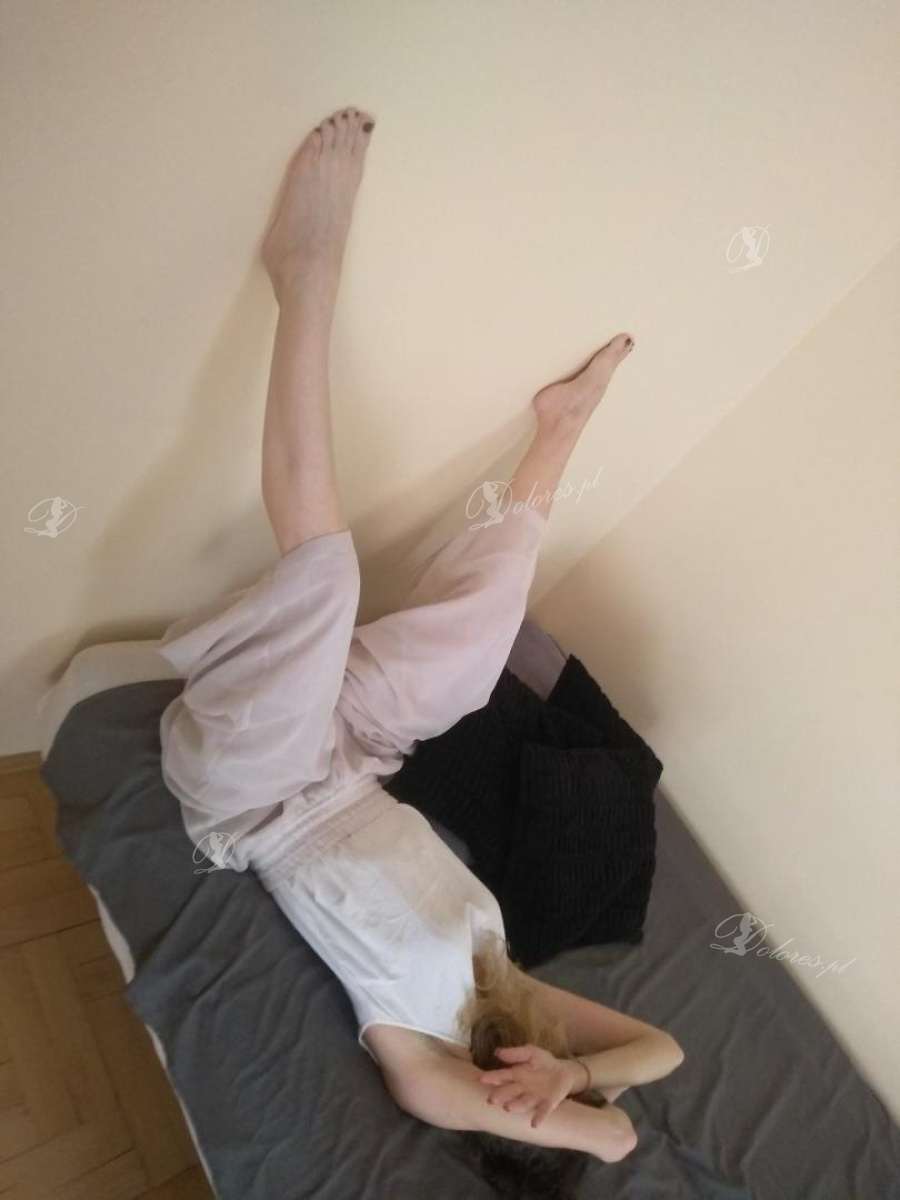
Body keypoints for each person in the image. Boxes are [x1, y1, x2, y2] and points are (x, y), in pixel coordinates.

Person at [157, 107, 685, 1194]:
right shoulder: (518, 995)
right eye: (550, 1102)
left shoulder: (422, 1067)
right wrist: (577, 1072)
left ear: (498, 1131)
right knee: (480, 647)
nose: (527, 1099)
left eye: (522, 1117)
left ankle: (305, 277)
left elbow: (616, 1145)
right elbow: (662, 1056)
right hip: (358, 753)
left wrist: (558, 1111)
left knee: (328, 579)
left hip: (257, 798)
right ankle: (559, 434)